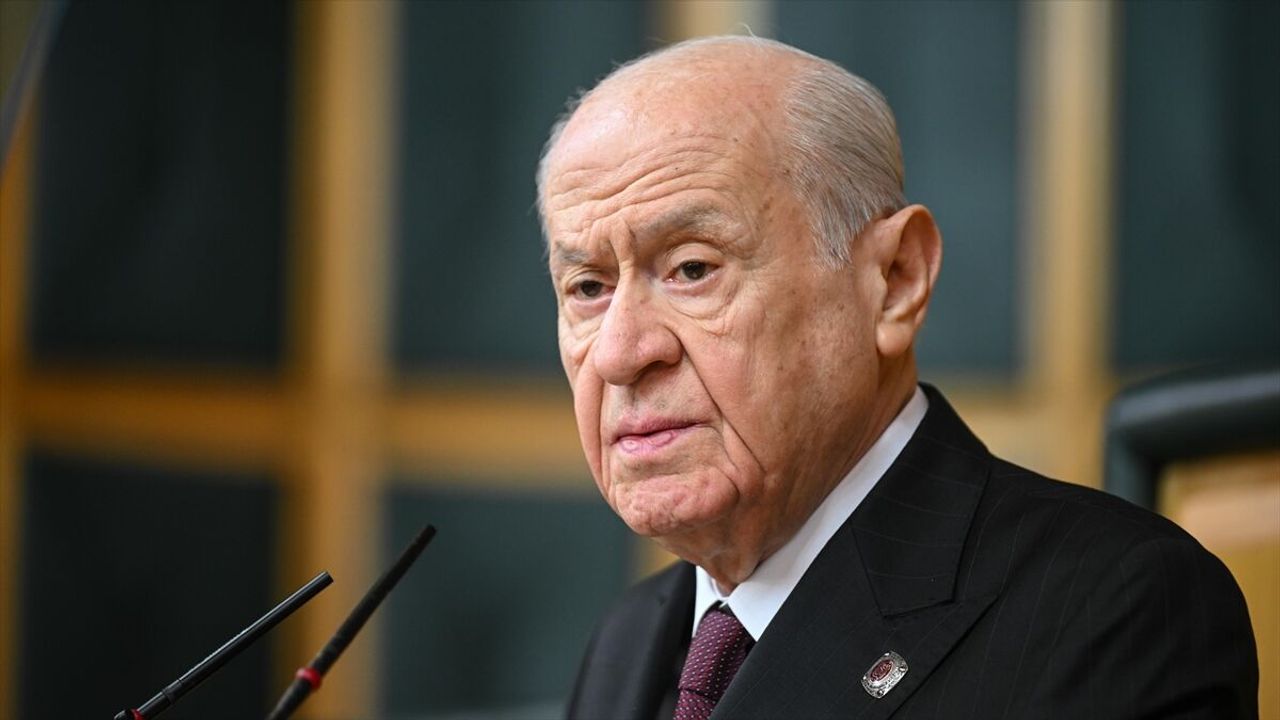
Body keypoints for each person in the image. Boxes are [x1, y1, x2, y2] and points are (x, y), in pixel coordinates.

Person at [535, 36, 1258, 720]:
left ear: (894, 280)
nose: (620, 354)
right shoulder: (630, 641)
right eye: (588, 288)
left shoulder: (1113, 611)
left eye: (693, 269)